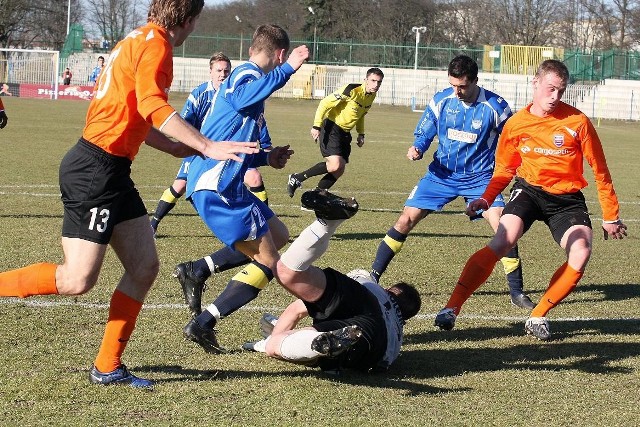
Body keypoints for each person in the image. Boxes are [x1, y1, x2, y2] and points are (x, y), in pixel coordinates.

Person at [0, 0, 258, 389]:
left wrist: (173, 148)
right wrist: (204, 145)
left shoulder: (136, 39)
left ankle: (107, 365)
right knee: (76, 279)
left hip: (112, 170)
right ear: (189, 20)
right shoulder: (157, 45)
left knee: (144, 267)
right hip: (95, 171)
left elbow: (134, 110)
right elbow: (153, 105)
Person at [434, 59, 628, 340]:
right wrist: (486, 199)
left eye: (561, 91)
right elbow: (503, 170)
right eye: (550, 89)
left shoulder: (578, 122)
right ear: (535, 82)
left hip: (567, 200)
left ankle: (538, 315)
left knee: (581, 251)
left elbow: (601, 171)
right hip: (529, 191)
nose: (554, 97)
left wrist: (610, 215)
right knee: (503, 239)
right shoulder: (516, 124)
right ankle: (451, 308)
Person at [176, 25, 309, 353]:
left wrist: (268, 156)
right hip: (217, 187)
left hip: (227, 184)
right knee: (271, 262)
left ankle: (197, 270)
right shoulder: (244, 76)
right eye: (282, 59)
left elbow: (235, 138)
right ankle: (203, 323)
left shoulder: (247, 78)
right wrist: (291, 68)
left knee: (278, 233)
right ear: (278, 55)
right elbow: (242, 96)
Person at [370, 55, 532, 309]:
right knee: (405, 220)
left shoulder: (496, 107)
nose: (457, 92)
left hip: (480, 178)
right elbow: (426, 129)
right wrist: (418, 147)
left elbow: (514, 140)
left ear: (476, 81)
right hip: (441, 175)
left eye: (463, 86)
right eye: (453, 85)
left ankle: (517, 292)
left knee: (504, 229)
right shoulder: (441, 100)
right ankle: (373, 277)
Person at [242, 189, 422, 373]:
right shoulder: (396, 341)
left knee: (287, 273)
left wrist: (273, 336)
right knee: (285, 347)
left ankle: (327, 222)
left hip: (366, 297)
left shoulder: (378, 291)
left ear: (389, 290)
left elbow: (296, 310)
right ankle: (315, 344)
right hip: (376, 348)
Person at [150, 52, 271, 236]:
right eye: (219, 70)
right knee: (180, 185)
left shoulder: (237, 91)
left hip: (231, 151)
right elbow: (185, 122)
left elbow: (256, 119)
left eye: (226, 70)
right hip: (201, 148)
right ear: (210, 72)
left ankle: (265, 224)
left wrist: (265, 143)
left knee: (254, 177)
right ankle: (153, 223)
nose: (222, 74)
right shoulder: (200, 94)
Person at [286, 68, 384, 197]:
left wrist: (361, 133)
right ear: (365, 80)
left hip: (345, 133)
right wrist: (316, 126)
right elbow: (324, 103)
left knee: (339, 169)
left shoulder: (371, 95)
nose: (376, 85)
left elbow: (361, 114)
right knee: (334, 165)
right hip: (332, 128)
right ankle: (297, 177)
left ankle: (317, 196)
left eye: (379, 82)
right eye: (373, 81)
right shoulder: (351, 90)